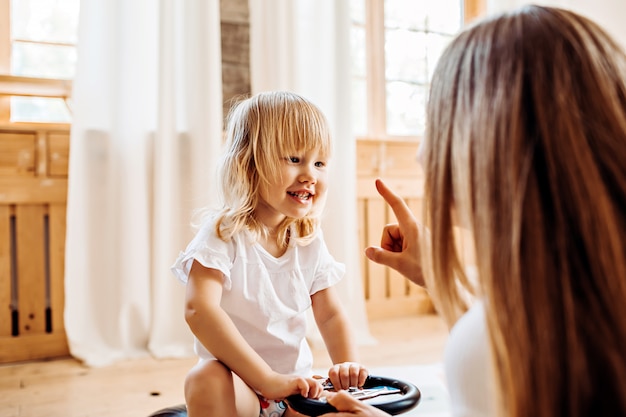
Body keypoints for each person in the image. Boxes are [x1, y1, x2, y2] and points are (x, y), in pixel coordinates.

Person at [320, 5, 626, 417]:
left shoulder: (490, 351)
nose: (421, 155)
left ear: (484, 144)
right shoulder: (585, 299)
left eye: (432, 123)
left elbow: (500, 353)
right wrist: (436, 274)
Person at [171, 91, 368, 417]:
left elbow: (330, 314)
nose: (310, 175)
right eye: (294, 159)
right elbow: (198, 310)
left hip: (296, 391)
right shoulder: (223, 234)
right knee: (204, 378)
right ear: (247, 163)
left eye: (319, 163)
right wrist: (265, 380)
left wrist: (349, 369)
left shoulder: (308, 239)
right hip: (243, 388)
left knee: (349, 410)